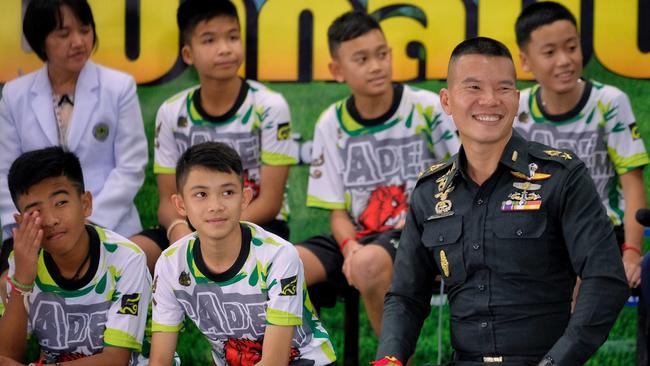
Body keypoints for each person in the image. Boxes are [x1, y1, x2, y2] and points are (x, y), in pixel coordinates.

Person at [374, 37, 628, 366]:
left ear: (517, 99)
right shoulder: (430, 191)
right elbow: (406, 296)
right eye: (474, 87)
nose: (490, 100)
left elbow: (605, 280)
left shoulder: (563, 176)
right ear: (447, 101)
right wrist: (389, 359)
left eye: (504, 89)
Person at [296, 10, 460, 337]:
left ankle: (394, 360)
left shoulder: (426, 108)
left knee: (368, 263)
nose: (376, 65)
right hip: (357, 238)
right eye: (362, 59)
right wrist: (349, 248)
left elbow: (464, 173)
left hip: (417, 232)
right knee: (281, 265)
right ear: (337, 70)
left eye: (381, 54)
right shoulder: (331, 122)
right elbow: (337, 215)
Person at [131, 0, 299, 273]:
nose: (225, 48)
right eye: (209, 40)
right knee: (131, 257)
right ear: (188, 54)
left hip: (254, 224)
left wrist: (212, 228)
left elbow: (270, 202)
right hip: (188, 225)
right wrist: (179, 230)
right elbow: (167, 200)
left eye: (233, 37)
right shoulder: (172, 112)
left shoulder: (269, 107)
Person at [0, 0, 148, 305]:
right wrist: (24, 232)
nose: (79, 42)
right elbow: (5, 174)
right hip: (40, 231)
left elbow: (130, 167)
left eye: (85, 29)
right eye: (63, 33)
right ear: (41, 41)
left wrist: (85, 223)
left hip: (109, 224)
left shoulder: (119, 87)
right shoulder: (15, 95)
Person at [148, 141, 335, 365]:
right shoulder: (171, 264)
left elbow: (275, 362)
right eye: (201, 194)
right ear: (180, 205)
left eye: (227, 192)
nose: (215, 205)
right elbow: (159, 360)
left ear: (244, 198)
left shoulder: (279, 256)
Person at [513, 1, 648, 289]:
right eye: (550, 52)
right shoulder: (517, 108)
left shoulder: (610, 103)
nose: (564, 60)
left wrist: (633, 255)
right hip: (535, 231)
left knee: (568, 281)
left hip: (601, 229)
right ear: (525, 61)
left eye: (571, 47)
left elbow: (632, 183)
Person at [0, 147, 151, 365]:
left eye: (60, 203)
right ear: (21, 220)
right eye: (35, 212)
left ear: (85, 203)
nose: (51, 219)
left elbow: (115, 360)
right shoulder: (23, 261)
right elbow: (6, 357)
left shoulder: (126, 259)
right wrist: (22, 281)